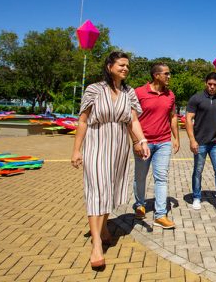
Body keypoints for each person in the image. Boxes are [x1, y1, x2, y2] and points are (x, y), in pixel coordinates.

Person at [71, 51, 149, 270]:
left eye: (127, 66)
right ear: (109, 66)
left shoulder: (128, 92)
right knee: (96, 191)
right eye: (121, 65)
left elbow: (133, 120)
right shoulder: (94, 89)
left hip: (119, 148)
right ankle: (96, 244)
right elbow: (84, 121)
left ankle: (104, 227)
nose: (125, 68)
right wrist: (76, 150)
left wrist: (142, 140)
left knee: (110, 189)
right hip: (97, 144)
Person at [132, 63, 180, 229]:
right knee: (140, 176)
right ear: (156, 75)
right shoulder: (139, 92)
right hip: (143, 142)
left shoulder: (170, 95)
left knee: (161, 177)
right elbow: (131, 119)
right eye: (166, 74)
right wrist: (136, 141)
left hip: (163, 142)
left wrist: (176, 138)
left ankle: (160, 215)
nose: (169, 76)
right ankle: (139, 204)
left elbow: (173, 116)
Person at [186, 72, 216, 214]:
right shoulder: (196, 98)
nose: (212, 87)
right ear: (205, 83)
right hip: (200, 142)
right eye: (210, 84)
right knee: (198, 171)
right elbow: (189, 119)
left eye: (215, 85)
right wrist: (192, 140)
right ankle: (196, 197)